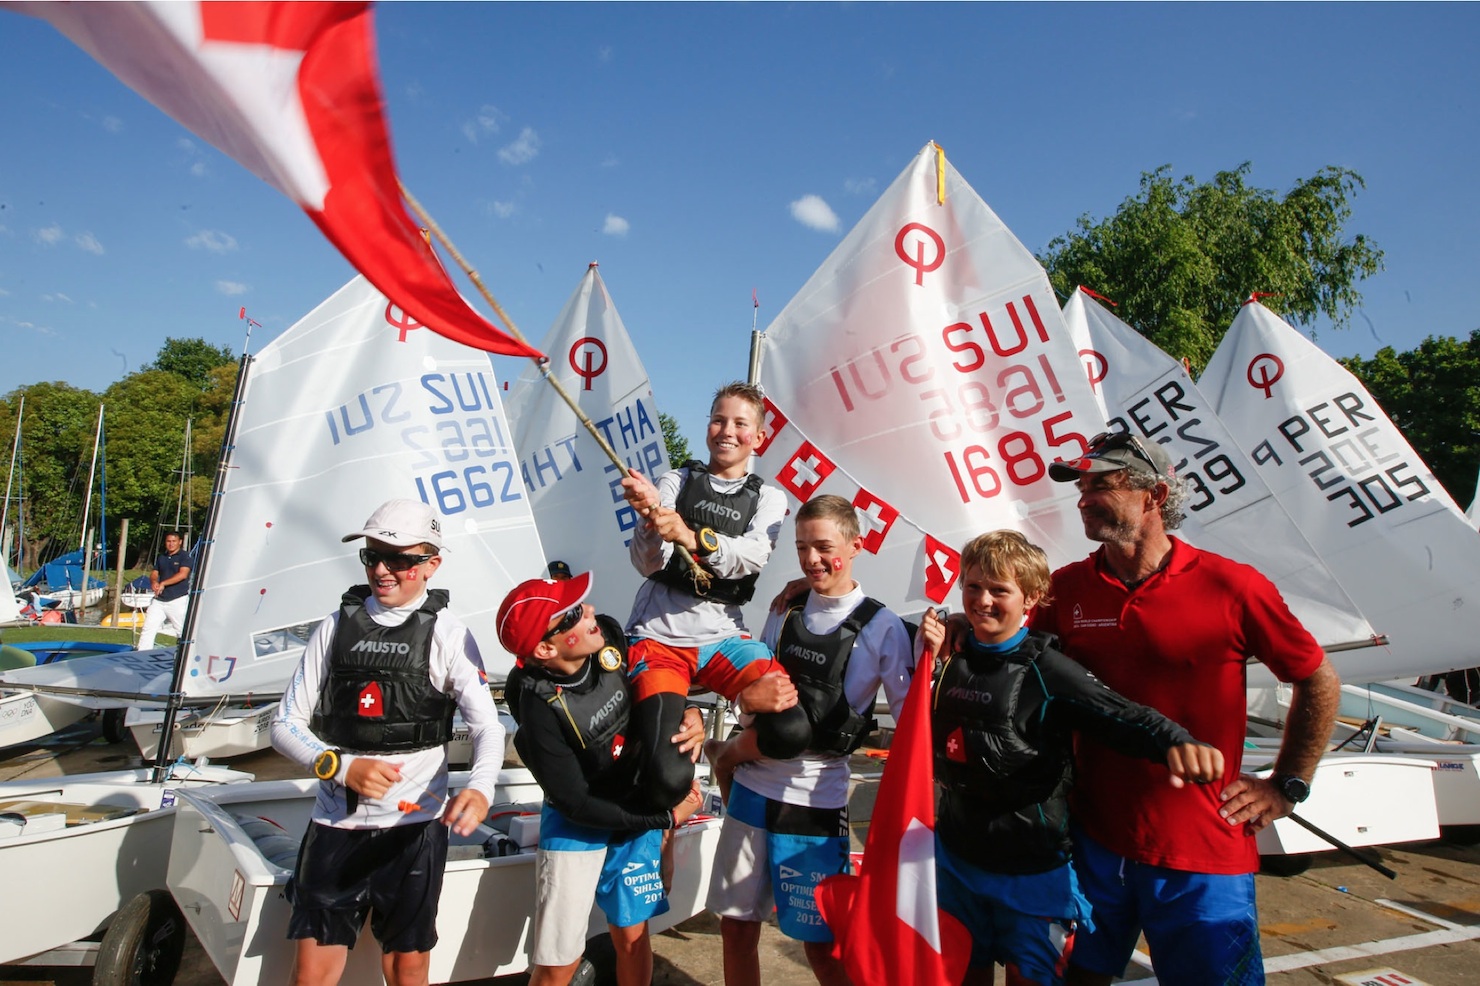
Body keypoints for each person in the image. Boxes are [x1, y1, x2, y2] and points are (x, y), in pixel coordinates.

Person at [1035, 430, 1340, 986]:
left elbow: (1317, 679)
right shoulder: (1067, 588)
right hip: (1093, 842)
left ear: (1153, 496)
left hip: (1203, 853)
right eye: (1081, 487)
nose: (1083, 498)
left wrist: (1288, 783)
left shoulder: (1233, 586)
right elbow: (1020, 665)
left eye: (1101, 485)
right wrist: (964, 627)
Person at [919, 529, 1223, 986]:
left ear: (1032, 598)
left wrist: (1177, 741)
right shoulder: (947, 654)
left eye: (999, 590)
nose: (982, 601)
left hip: (1032, 874)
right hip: (958, 861)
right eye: (973, 586)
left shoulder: (1048, 670)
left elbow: (1119, 713)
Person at [270, 498, 505, 986]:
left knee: (407, 966)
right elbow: (284, 723)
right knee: (311, 974)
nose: (382, 570)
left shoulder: (450, 635)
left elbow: (487, 727)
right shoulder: (335, 627)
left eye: (398, 559)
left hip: (414, 831)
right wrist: (337, 765)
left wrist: (481, 788)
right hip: (336, 826)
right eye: (372, 556)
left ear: (430, 565)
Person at [705, 494, 913, 986]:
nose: (811, 559)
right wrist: (742, 708)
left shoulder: (883, 628)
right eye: (801, 548)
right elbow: (750, 689)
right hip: (753, 789)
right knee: (735, 929)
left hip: (814, 800)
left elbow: (908, 723)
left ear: (856, 546)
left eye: (823, 547)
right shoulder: (785, 607)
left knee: (821, 945)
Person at [496, 571, 707, 986]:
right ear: (544, 647)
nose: (588, 611)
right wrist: (663, 821)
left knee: (631, 937)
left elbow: (660, 680)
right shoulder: (537, 711)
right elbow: (576, 802)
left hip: (635, 804)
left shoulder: (608, 633)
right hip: (578, 823)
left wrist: (692, 712)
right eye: (572, 614)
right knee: (560, 961)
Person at [619, 381, 809, 814]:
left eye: (740, 424)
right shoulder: (675, 481)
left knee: (791, 729)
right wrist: (650, 521)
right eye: (718, 420)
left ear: (758, 438)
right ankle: (675, 809)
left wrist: (691, 534)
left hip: (723, 639)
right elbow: (648, 564)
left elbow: (750, 558)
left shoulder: (769, 499)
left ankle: (725, 753)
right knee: (666, 776)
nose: (727, 430)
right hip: (659, 640)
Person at [137, 530, 191, 649]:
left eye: (174, 541)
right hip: (159, 600)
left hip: (177, 599)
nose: (171, 544)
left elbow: (183, 574)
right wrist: (154, 582)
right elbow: (154, 573)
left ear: (180, 542)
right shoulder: (162, 557)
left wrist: (164, 583)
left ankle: (186, 654)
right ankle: (142, 653)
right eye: (168, 541)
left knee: (182, 630)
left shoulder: (184, 557)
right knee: (148, 628)